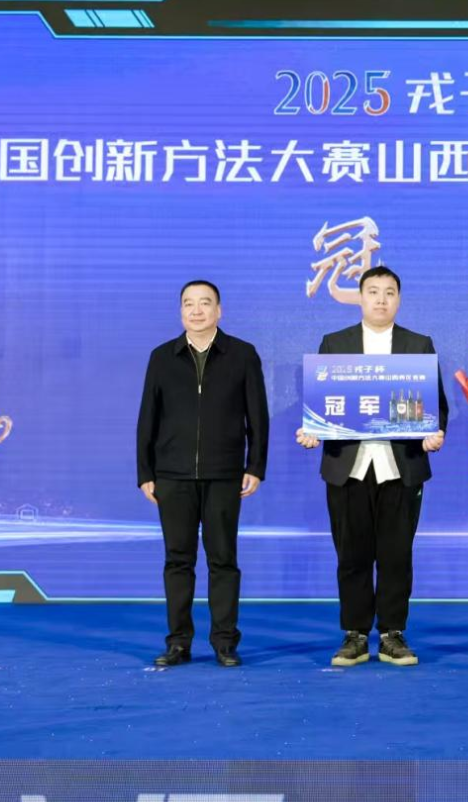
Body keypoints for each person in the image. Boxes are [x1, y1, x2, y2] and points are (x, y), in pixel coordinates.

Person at [296, 266, 448, 667]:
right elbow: (322, 403)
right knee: (352, 555)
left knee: (397, 555)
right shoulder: (335, 343)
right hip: (348, 466)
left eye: (389, 292)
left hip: (401, 466)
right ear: (360, 298)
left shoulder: (418, 345)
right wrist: (313, 431)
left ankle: (392, 633)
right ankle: (355, 634)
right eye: (373, 291)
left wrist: (433, 433)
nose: (381, 299)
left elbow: (436, 405)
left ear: (399, 299)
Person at [137, 280, 269, 668]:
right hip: (172, 476)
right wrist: (145, 471)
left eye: (205, 303)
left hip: (224, 474)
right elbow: (147, 419)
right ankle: (178, 643)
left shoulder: (242, 354)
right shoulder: (162, 357)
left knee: (223, 560)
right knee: (178, 560)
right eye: (188, 304)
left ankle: (225, 642)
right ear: (181, 311)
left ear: (219, 310)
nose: (196, 310)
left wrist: (255, 466)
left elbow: (257, 417)